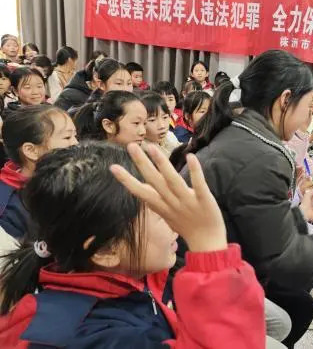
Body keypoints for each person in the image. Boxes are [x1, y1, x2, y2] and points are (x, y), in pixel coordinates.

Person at [177, 50, 313, 347]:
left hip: (205, 269)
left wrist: (299, 214)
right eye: (306, 107)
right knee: (295, 308)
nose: (306, 117)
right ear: (285, 99)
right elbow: (286, 262)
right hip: (202, 288)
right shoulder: (261, 156)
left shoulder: (237, 132)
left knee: (297, 308)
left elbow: (252, 221)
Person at [0, 142, 266, 348]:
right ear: (106, 250)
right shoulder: (107, 339)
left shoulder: (126, 277)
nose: (176, 225)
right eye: (160, 213)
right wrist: (211, 251)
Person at [0, 105, 77, 241]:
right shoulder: (7, 209)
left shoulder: (78, 175)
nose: (76, 143)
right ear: (31, 150)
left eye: (75, 135)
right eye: (67, 137)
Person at [74, 90, 146, 146]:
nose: (143, 132)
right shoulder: (92, 159)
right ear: (108, 125)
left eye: (144, 123)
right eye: (136, 123)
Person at [139, 92, 180, 158]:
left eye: (165, 117)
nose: (162, 126)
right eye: (152, 120)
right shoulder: (140, 150)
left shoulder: (170, 136)